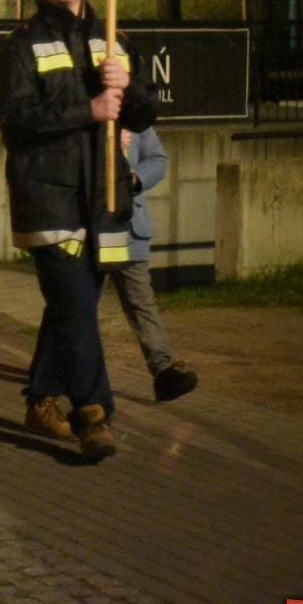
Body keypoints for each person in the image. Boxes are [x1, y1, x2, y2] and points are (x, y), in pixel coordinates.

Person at [0, 0, 158, 461]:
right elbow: (17, 121)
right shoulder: (20, 46)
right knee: (77, 310)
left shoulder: (113, 38)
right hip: (49, 202)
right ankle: (93, 414)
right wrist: (86, 110)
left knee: (72, 306)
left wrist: (126, 85)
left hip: (102, 200)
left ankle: (41, 398)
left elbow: (144, 114)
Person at [115, 126, 199, 402]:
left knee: (142, 303)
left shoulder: (133, 112)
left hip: (130, 230)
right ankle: (49, 377)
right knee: (76, 309)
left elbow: (158, 159)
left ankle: (163, 372)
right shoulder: (85, 103)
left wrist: (137, 178)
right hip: (93, 229)